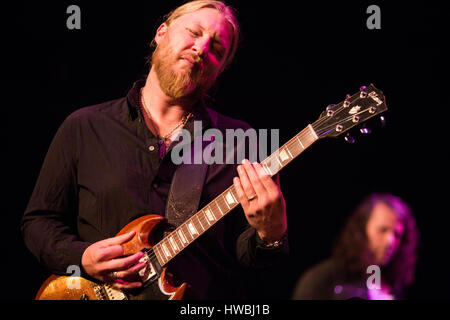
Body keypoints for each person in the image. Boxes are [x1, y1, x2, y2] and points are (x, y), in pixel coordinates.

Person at [21, 0, 288, 300]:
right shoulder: (85, 126)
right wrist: (82, 257)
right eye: (194, 32)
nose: (201, 48)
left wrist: (271, 234)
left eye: (216, 49)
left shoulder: (240, 141)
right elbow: (38, 222)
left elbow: (251, 261)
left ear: (221, 70)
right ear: (162, 33)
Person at [292, 193, 419, 300]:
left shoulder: (394, 287)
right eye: (382, 230)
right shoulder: (324, 279)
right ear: (362, 230)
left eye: (397, 235)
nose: (390, 241)